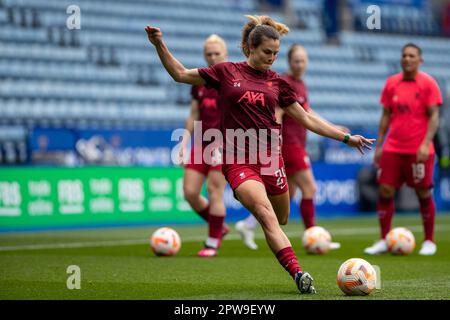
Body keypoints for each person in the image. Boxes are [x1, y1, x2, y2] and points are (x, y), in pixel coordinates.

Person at [145, 15, 374, 294]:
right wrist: (159, 44)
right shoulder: (225, 72)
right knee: (265, 214)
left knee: (281, 218)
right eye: (267, 52)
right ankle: (298, 274)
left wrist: (345, 137)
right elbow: (180, 74)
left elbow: (307, 119)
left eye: (276, 53)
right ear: (250, 48)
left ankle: (253, 217)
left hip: (270, 160)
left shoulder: (278, 84)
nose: (272, 58)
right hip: (237, 160)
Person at [236, 44, 344, 251]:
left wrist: (332, 127)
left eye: (303, 61)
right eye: (297, 61)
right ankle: (313, 235)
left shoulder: (301, 84)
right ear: (289, 61)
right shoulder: (283, 82)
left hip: (296, 143)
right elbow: (277, 113)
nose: (300, 64)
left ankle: (247, 224)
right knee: (310, 188)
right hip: (288, 145)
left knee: (288, 194)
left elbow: (306, 111)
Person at [364, 43, 442, 256]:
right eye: (404, 55)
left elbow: (434, 116)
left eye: (412, 56)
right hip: (393, 148)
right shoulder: (392, 83)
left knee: (423, 192)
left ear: (420, 60)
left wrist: (426, 143)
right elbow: (386, 116)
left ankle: (429, 241)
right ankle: (383, 239)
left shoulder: (428, 84)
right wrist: (379, 146)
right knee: (385, 190)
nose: (407, 59)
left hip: (418, 150)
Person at [179, 35, 229, 257]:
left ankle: (212, 242)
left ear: (225, 54)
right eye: (209, 54)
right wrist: (183, 141)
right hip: (201, 143)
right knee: (189, 192)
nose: (212, 57)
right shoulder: (199, 81)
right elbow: (194, 113)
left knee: (214, 191)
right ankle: (219, 227)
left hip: (226, 144)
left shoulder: (230, 80)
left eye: (217, 53)